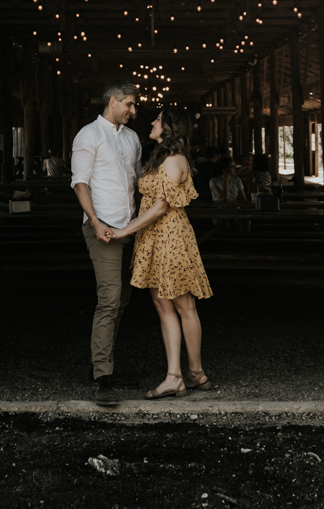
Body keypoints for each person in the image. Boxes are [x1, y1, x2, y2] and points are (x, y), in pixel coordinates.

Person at [107, 107, 214, 399]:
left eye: (158, 119)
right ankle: (186, 375)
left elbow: (161, 206)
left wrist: (123, 230)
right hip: (154, 238)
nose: (152, 122)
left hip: (170, 238)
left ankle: (185, 374)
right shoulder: (161, 157)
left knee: (184, 306)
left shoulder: (174, 159)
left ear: (170, 128)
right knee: (164, 306)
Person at [70, 79, 143, 407]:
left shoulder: (132, 138)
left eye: (134, 105)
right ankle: (102, 377)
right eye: (129, 103)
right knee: (109, 300)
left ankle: (103, 364)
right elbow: (80, 183)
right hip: (104, 230)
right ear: (112, 101)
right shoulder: (89, 135)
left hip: (130, 230)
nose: (133, 110)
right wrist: (96, 222)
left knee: (123, 299)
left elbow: (137, 182)